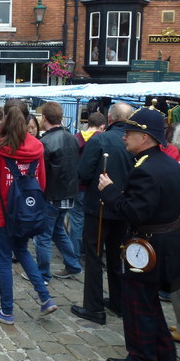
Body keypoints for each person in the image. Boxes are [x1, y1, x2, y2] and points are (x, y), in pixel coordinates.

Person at [99, 106, 180, 361]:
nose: (124, 136)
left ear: (144, 137)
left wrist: (110, 190)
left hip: (148, 250)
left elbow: (135, 213)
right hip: (165, 246)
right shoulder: (168, 163)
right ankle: (164, 353)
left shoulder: (145, 169)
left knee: (139, 308)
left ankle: (141, 356)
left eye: (129, 132)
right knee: (150, 306)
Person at [0, 106, 58, 325]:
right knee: (22, 251)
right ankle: (44, 297)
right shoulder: (37, 147)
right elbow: (40, 182)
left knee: (4, 260)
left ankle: (6, 310)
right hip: (26, 210)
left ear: (3, 119)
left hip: (2, 212)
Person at [72, 102, 133, 325]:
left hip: (99, 207)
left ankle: (94, 307)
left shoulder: (100, 139)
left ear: (110, 119)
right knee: (117, 257)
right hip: (124, 207)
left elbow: (84, 172)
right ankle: (118, 302)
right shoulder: (133, 141)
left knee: (95, 256)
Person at [31, 101, 82, 284]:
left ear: (44, 118)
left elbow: (40, 172)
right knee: (58, 232)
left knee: (43, 236)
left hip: (51, 195)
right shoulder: (72, 137)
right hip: (68, 194)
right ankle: (73, 265)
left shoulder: (45, 142)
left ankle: (43, 274)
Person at [69, 111, 107, 259]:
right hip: (93, 188)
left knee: (76, 222)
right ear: (102, 127)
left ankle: (74, 254)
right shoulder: (101, 140)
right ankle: (88, 250)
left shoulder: (75, 138)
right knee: (91, 221)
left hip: (77, 186)